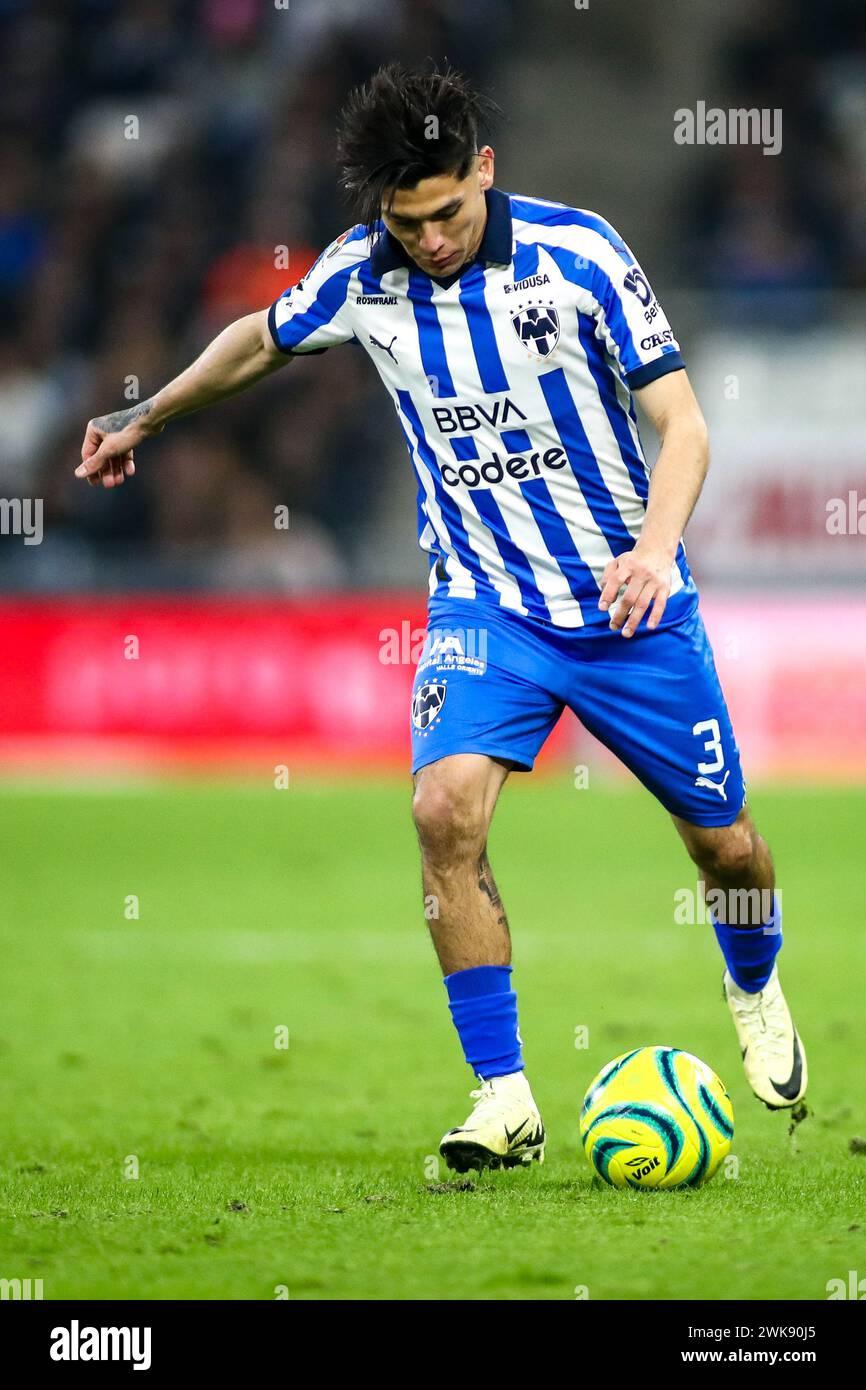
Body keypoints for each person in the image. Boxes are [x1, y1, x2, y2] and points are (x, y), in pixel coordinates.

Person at [76, 63, 806, 1174]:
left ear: (486, 171)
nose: (427, 240)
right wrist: (145, 415)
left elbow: (684, 424)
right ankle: (503, 1094)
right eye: (405, 222)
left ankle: (750, 983)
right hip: (483, 606)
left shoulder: (581, 258)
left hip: (624, 604)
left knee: (727, 848)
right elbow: (261, 338)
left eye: (447, 212)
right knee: (441, 814)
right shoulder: (361, 273)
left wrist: (655, 549)